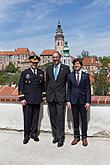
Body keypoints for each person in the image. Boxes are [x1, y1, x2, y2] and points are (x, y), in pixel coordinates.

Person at [46, 51, 70, 147]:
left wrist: (67, 97)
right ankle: (55, 136)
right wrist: (45, 94)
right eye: (53, 57)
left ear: (59, 58)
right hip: (50, 96)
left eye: (56, 57)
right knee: (53, 117)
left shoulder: (66, 68)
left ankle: (61, 138)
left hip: (61, 97)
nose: (55, 59)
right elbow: (47, 82)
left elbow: (69, 84)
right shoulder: (48, 68)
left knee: (60, 118)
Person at [18, 55, 44, 144]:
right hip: (28, 99)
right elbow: (21, 85)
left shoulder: (41, 72)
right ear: (30, 63)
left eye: (36, 63)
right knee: (27, 118)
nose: (34, 64)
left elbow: (43, 85)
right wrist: (22, 98)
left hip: (37, 99)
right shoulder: (25, 72)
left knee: (35, 118)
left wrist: (43, 96)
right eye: (33, 62)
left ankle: (34, 134)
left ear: (38, 63)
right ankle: (26, 136)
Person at [67, 58, 91, 146]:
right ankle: (76, 137)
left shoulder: (85, 76)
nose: (76, 65)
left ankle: (84, 137)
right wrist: (68, 100)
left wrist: (88, 101)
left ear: (81, 65)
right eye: (74, 64)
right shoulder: (70, 76)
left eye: (77, 64)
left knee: (84, 120)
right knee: (75, 119)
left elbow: (88, 89)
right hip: (73, 101)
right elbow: (68, 89)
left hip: (83, 101)